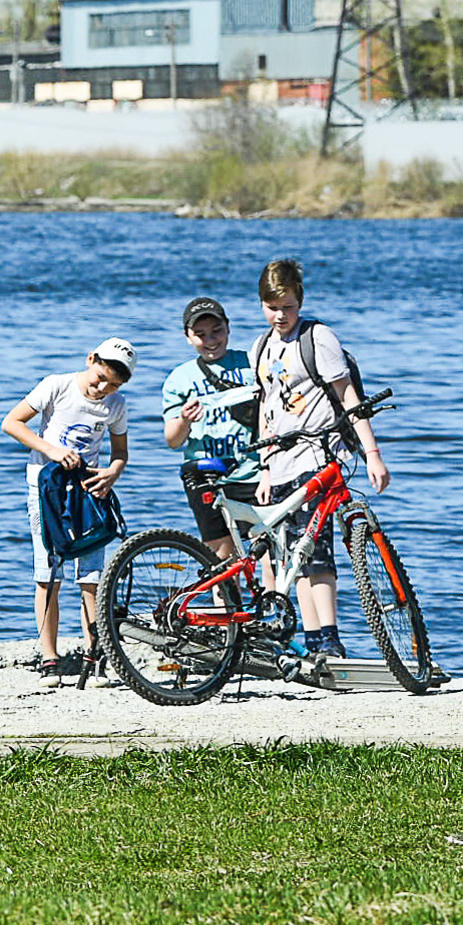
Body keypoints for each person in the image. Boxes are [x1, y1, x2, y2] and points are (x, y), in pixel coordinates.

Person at [250, 257, 391, 662]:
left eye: (288, 306)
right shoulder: (261, 346)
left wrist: (372, 454)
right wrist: (264, 466)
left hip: (319, 457)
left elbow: (349, 399)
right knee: (292, 556)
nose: (280, 315)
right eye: (272, 306)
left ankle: (329, 639)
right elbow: (266, 408)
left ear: (300, 301)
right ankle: (311, 642)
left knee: (318, 552)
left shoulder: (318, 338)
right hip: (280, 464)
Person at [1, 339, 132, 681]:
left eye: (113, 385)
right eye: (100, 377)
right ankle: (49, 659)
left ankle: (95, 656)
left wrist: (113, 472)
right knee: (48, 574)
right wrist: (52, 450)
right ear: (90, 359)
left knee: (92, 577)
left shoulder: (116, 405)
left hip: (90, 494)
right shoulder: (56, 385)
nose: (103, 388)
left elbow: (120, 453)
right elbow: (12, 423)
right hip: (48, 492)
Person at [160, 295, 261, 562]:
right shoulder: (179, 378)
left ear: (228, 327)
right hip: (206, 474)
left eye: (217, 331)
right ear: (188, 337)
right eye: (200, 334)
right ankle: (226, 604)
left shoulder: (252, 363)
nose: (211, 340)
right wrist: (184, 419)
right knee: (221, 558)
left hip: (254, 472)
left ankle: (271, 603)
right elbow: (172, 440)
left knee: (266, 551)